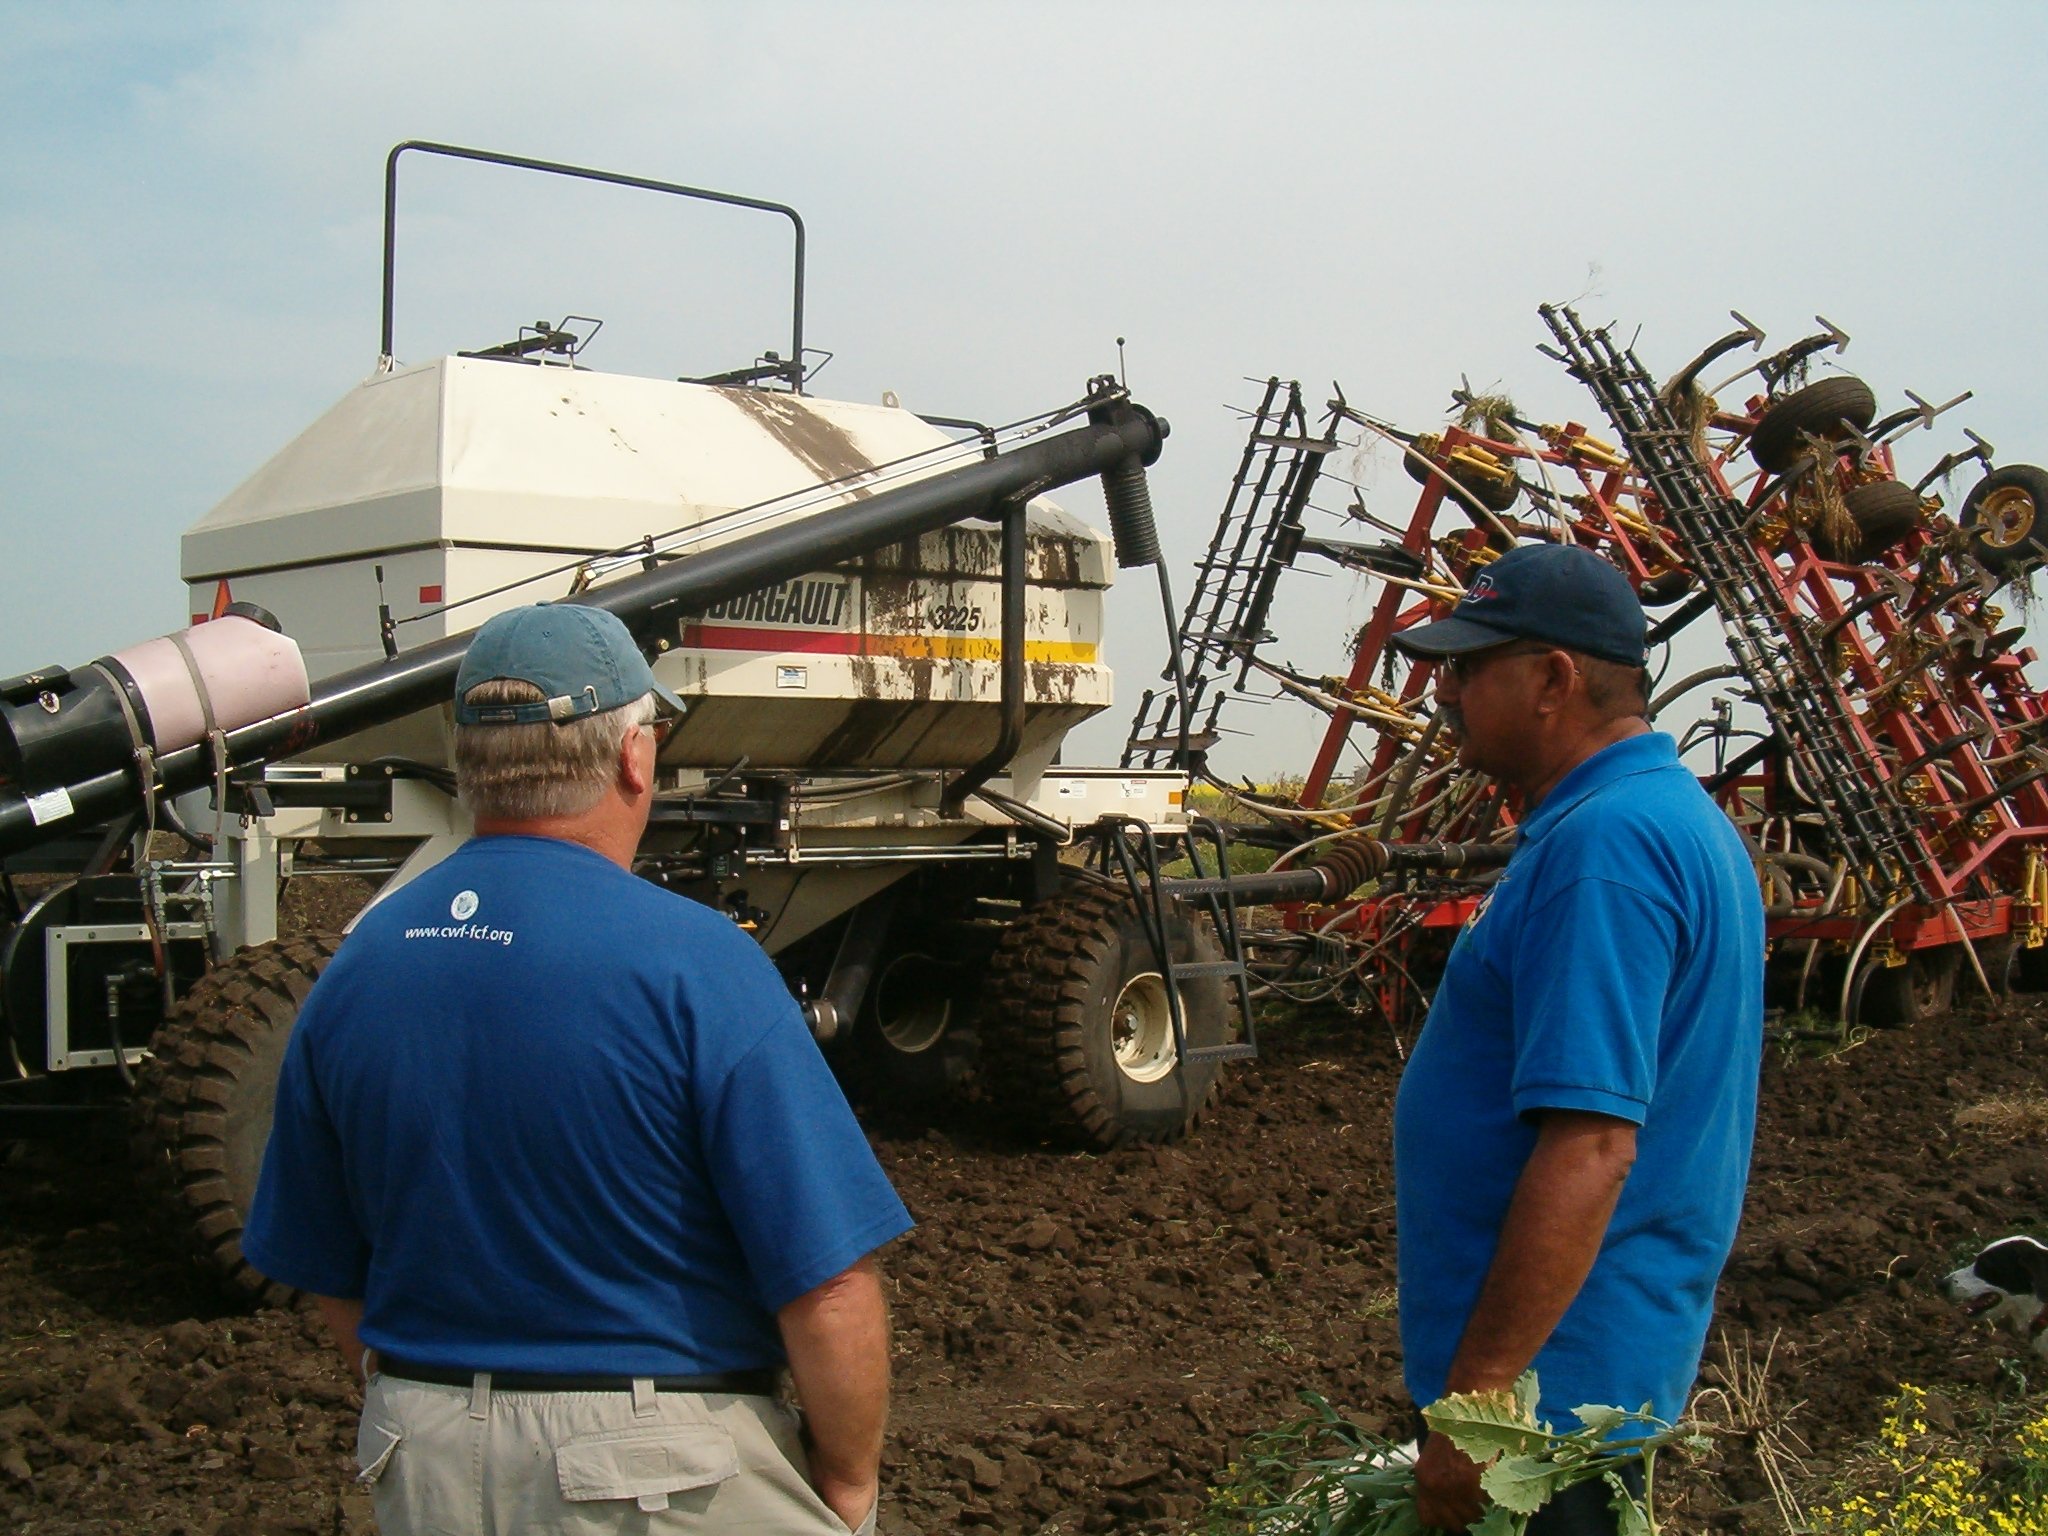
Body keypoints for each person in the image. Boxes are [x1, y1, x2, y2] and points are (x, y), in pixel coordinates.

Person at [244, 603, 913, 1535]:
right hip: (650, 1470)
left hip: (422, 1456)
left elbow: (322, 1261)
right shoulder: (699, 965)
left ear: (470, 760)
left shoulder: (360, 963)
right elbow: (829, 1284)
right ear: (634, 757)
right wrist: (846, 1485)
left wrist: (431, 1401)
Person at [1388, 544, 1764, 1535]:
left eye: (1468, 666)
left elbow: (1591, 1146)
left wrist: (1477, 1414)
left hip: (1543, 1409)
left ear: (1550, 679)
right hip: (1584, 1375)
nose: (1444, 691)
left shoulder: (1607, 848)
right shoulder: (1659, 819)